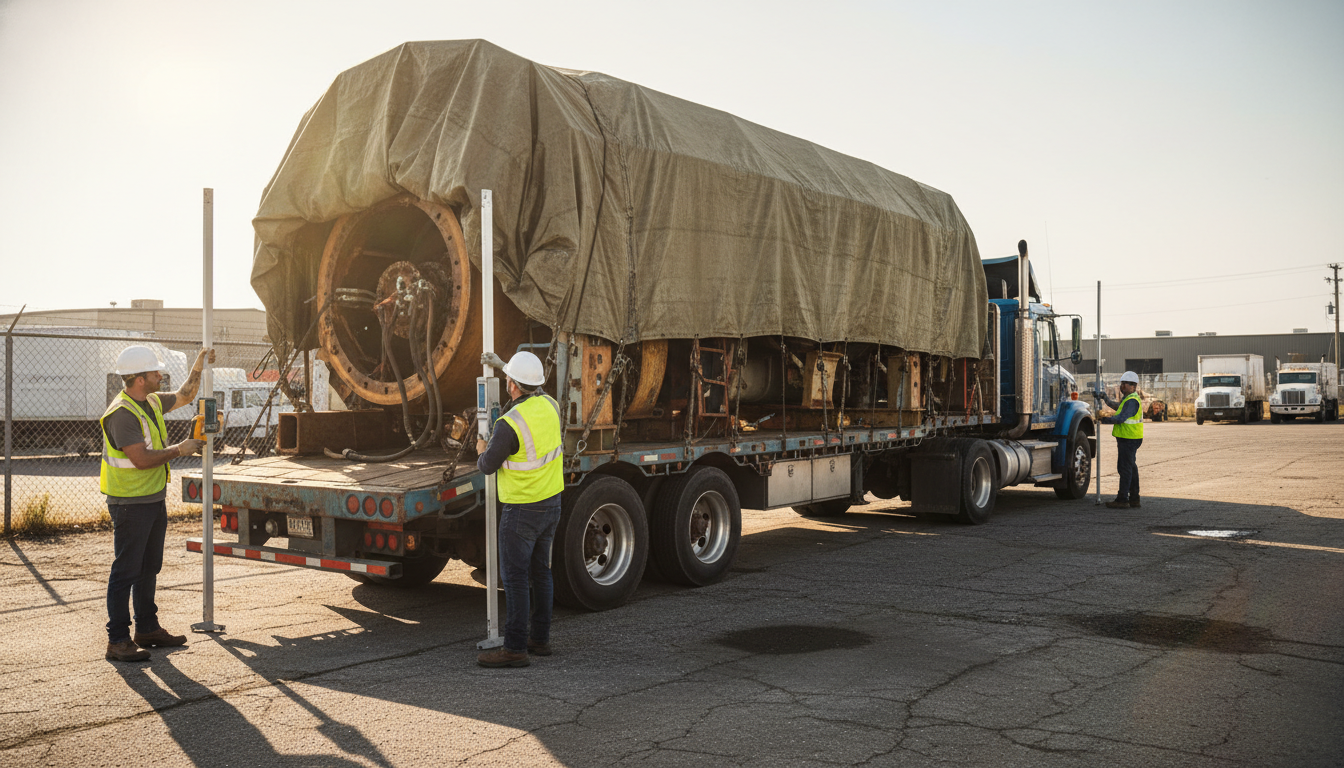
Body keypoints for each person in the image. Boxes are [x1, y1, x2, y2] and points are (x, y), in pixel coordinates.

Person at [102, 345, 212, 662]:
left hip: (151, 500)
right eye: (154, 373)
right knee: (126, 571)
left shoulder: (148, 401)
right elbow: (140, 459)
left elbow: (185, 396)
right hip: (130, 504)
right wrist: (181, 449)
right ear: (139, 379)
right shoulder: (123, 414)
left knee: (149, 567)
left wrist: (199, 365)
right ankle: (118, 640)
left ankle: (147, 629)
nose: (159, 376)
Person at [473, 350, 563, 668]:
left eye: (508, 379)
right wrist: (503, 367)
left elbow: (487, 466)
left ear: (512, 386)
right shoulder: (551, 405)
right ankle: (539, 640)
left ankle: (514, 649)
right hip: (551, 504)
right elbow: (532, 390)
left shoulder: (508, 424)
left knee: (514, 578)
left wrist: (482, 448)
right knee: (541, 573)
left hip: (522, 510)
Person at [1094, 370, 1144, 510]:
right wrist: (1105, 398)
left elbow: (1121, 418)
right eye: (1121, 384)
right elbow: (1118, 407)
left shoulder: (1132, 400)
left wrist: (1104, 419)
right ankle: (1134, 498)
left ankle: (1122, 499)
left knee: (1125, 468)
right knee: (1131, 468)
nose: (1122, 386)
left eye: (1125, 384)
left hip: (1129, 439)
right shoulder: (1128, 399)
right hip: (1129, 438)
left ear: (1133, 386)